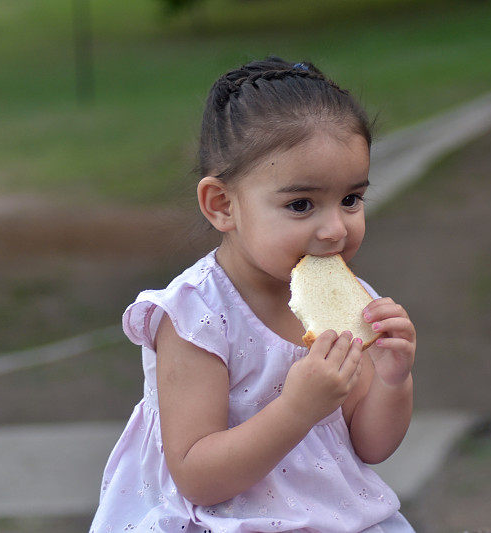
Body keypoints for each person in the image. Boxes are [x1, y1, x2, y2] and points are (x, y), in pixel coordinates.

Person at [90, 57, 416, 533]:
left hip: (335, 514)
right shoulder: (195, 315)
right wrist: (297, 408)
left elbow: (371, 446)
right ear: (222, 205)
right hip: (222, 519)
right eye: (301, 205)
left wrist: (393, 379)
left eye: (351, 199)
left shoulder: (352, 301)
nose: (334, 229)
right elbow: (197, 476)